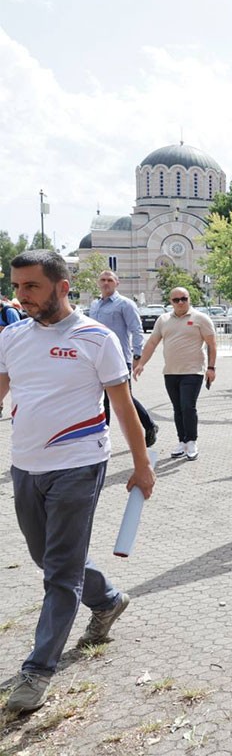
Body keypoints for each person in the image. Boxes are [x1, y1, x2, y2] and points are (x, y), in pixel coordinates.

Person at [0, 250, 156, 714]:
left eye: (31, 287)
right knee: (44, 557)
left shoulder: (96, 338)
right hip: (25, 466)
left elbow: (124, 407)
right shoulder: (11, 337)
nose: (21, 296)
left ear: (62, 287)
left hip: (79, 464)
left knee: (60, 572)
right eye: (18, 286)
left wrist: (142, 465)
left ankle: (38, 670)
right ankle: (107, 601)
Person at [133, 288, 217, 461]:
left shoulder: (200, 318)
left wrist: (211, 368)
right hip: (170, 372)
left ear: (189, 299)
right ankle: (182, 441)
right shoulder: (163, 320)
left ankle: (192, 441)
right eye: (176, 300)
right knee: (177, 409)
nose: (180, 302)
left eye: (183, 299)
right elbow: (152, 343)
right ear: (170, 301)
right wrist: (141, 364)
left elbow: (211, 344)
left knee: (188, 406)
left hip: (193, 371)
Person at [89, 270, 157, 446]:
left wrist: (137, 355)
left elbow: (136, 329)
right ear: (98, 282)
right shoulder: (95, 305)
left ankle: (149, 425)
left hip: (119, 359)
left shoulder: (125, 304)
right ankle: (103, 438)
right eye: (102, 280)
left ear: (117, 283)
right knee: (101, 399)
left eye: (109, 280)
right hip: (96, 359)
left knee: (124, 398)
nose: (106, 283)